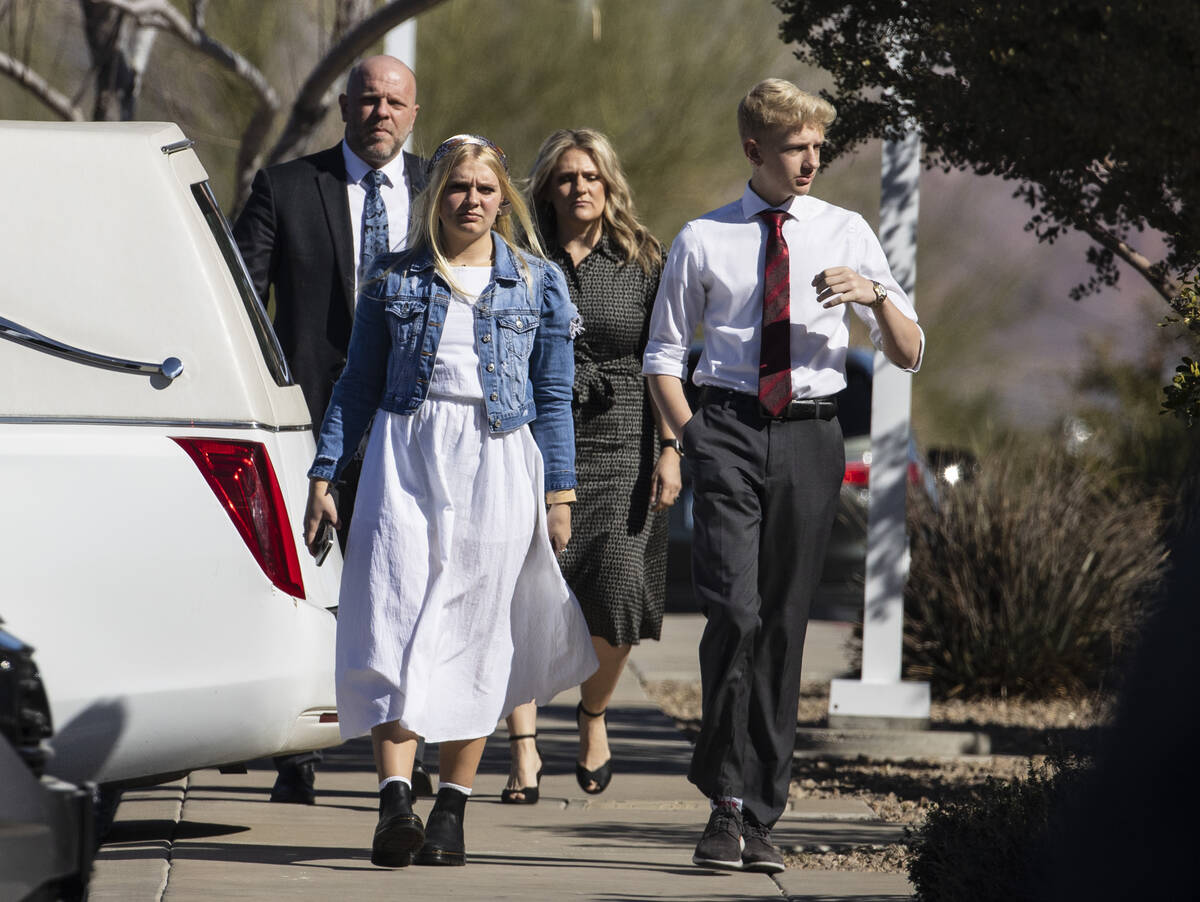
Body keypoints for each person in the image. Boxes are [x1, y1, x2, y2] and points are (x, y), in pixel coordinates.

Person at [642, 79, 924, 874]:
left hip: (812, 435)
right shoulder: (704, 238)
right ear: (755, 150)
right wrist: (693, 440)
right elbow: (663, 357)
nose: (811, 160)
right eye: (795, 147)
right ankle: (724, 799)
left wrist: (873, 294)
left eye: (817, 146)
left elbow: (907, 350)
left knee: (784, 625)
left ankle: (756, 811)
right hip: (725, 428)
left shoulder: (847, 230)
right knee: (734, 609)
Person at [303, 134, 598, 868]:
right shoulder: (394, 278)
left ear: (504, 199)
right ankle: (395, 802)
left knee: (477, 631)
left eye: (485, 189)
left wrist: (559, 495)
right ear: (436, 195)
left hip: (498, 458)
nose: (472, 200)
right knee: (390, 616)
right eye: (458, 188)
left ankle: (453, 814)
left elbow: (554, 396)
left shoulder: (536, 284)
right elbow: (357, 384)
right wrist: (325, 471)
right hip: (404, 458)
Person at [233, 55, 431, 806]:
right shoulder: (287, 188)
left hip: (415, 421)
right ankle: (302, 751)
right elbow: (246, 298)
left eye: (395, 102)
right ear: (345, 108)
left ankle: (416, 737)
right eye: (368, 100)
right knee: (315, 582)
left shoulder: (439, 192)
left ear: (414, 113)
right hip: (310, 419)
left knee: (414, 581)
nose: (381, 112)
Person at [501, 129, 681, 804]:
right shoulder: (516, 256)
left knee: (620, 593)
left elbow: (665, 357)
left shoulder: (642, 258)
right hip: (532, 435)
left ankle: (593, 712)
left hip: (622, 440)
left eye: (591, 178)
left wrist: (671, 448)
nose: (579, 188)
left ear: (610, 186)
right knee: (523, 591)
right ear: (547, 187)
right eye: (566, 178)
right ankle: (523, 746)